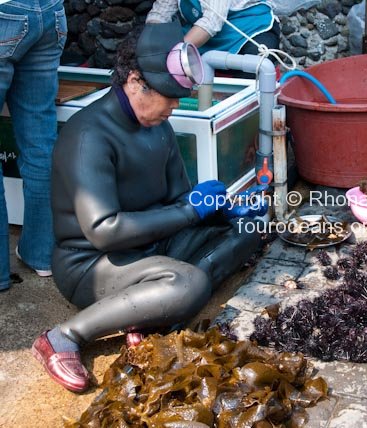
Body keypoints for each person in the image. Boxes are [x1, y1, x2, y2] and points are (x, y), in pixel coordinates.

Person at [31, 21, 267, 392]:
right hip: (93, 264)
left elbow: (177, 200)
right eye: (169, 96)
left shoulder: (158, 125)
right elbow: (105, 230)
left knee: (251, 229)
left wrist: (222, 211)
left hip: (152, 248)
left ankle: (151, 309)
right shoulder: (88, 136)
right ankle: (63, 337)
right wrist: (192, 211)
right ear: (135, 81)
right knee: (189, 282)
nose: (175, 106)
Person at [0, 0, 67, 290]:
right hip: (49, 12)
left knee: (40, 142)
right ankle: (41, 255)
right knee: (40, 141)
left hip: (5, 15)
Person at [146, 0, 280, 78]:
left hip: (248, 29)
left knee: (255, 66)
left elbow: (212, 20)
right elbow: (160, 13)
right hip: (201, 32)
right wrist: (149, 45)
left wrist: (176, 54)